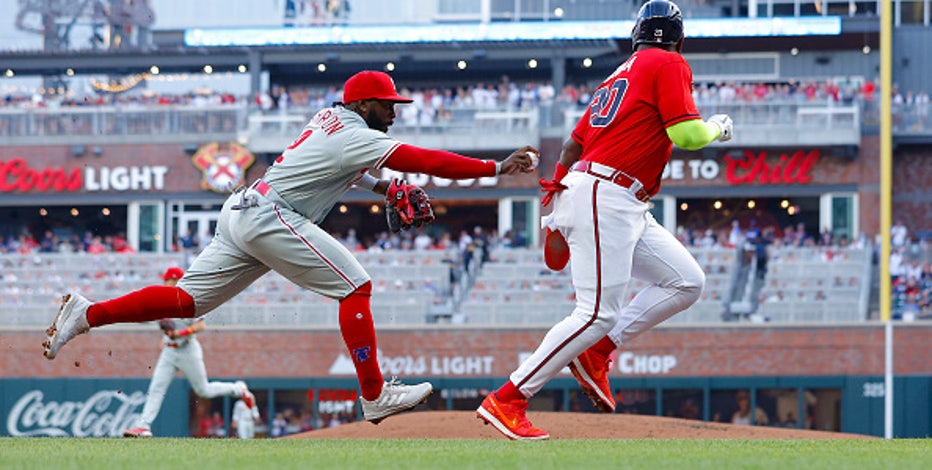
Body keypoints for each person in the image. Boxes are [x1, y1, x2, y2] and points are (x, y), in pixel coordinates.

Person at [43, 69, 537, 425]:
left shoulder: (330, 118)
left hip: (241, 210)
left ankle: (87, 315)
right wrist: (494, 168)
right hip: (270, 216)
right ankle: (375, 395)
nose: (394, 111)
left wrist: (385, 189)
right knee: (357, 287)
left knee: (187, 301)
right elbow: (421, 158)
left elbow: (342, 167)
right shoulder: (359, 133)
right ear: (366, 105)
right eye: (389, 104)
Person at [476, 0, 733, 440]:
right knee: (595, 312)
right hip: (607, 193)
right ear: (679, 38)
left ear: (636, 34)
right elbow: (686, 135)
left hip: (610, 194)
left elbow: (572, 148)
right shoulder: (667, 62)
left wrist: (555, 192)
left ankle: (599, 350)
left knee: (686, 281)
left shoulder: (618, 75)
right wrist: (717, 128)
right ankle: (508, 397)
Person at [122, 267, 256, 438]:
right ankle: (143, 426)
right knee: (156, 387)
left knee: (203, 390)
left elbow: (201, 326)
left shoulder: (190, 299)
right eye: (164, 280)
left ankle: (238, 389)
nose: (164, 283)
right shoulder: (161, 299)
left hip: (188, 349)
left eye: (168, 280)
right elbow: (154, 320)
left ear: (176, 281)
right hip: (169, 351)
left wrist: (179, 333)